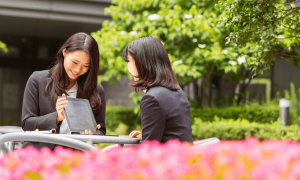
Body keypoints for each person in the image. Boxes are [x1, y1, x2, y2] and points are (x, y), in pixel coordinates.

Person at [21, 32, 106, 150]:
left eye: (86, 66)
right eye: (75, 62)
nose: (77, 70)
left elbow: (101, 130)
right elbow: (27, 123)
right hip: (39, 155)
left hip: (74, 158)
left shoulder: (95, 89)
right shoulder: (38, 80)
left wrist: (93, 134)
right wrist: (56, 117)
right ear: (64, 52)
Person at [123, 36, 193, 143]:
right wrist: (146, 134)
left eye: (129, 61)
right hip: (182, 156)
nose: (128, 68)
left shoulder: (152, 98)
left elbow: (149, 148)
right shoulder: (177, 91)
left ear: (143, 62)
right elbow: (174, 132)